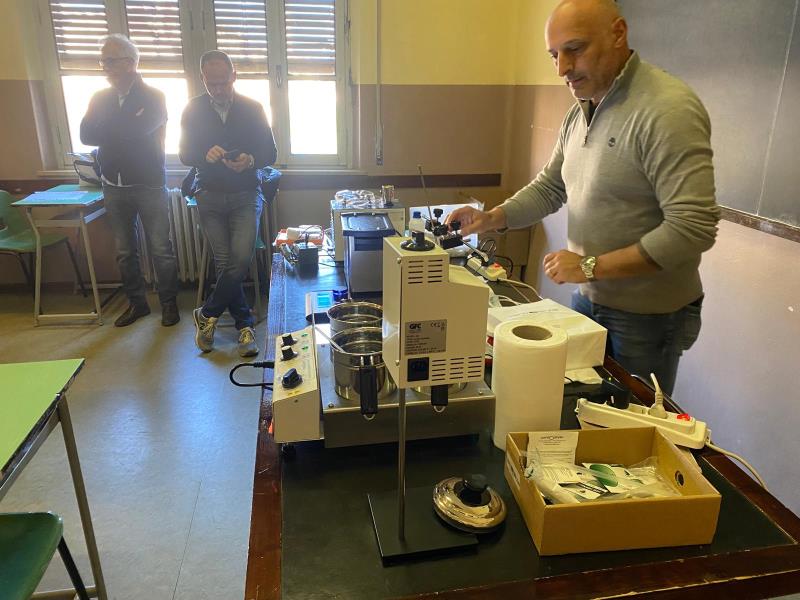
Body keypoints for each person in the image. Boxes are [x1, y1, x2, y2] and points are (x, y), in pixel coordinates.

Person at [447, 0, 720, 395]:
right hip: (589, 300)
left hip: (647, 317)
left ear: (618, 34)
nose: (562, 68)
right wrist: (491, 218)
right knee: (579, 404)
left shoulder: (666, 109)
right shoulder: (581, 111)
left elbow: (693, 228)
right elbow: (550, 187)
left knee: (631, 419)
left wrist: (590, 266)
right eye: (554, 55)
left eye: (574, 49)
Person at [179, 50, 277, 357]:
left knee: (241, 259)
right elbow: (184, 154)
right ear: (203, 79)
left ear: (234, 76)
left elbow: (270, 153)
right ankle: (245, 327)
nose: (219, 89)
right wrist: (203, 155)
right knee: (225, 264)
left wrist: (250, 160)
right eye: (212, 83)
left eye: (224, 82)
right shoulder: (192, 109)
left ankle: (207, 313)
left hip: (246, 193)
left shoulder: (253, 108)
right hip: (208, 194)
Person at [81, 34, 180, 327]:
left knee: (161, 249)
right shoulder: (99, 98)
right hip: (113, 185)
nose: (105, 67)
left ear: (130, 63)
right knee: (125, 252)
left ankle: (169, 304)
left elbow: (137, 131)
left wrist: (109, 127)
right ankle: (138, 304)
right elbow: (86, 135)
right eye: (103, 61)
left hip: (149, 183)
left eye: (111, 61)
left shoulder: (154, 96)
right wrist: (122, 125)